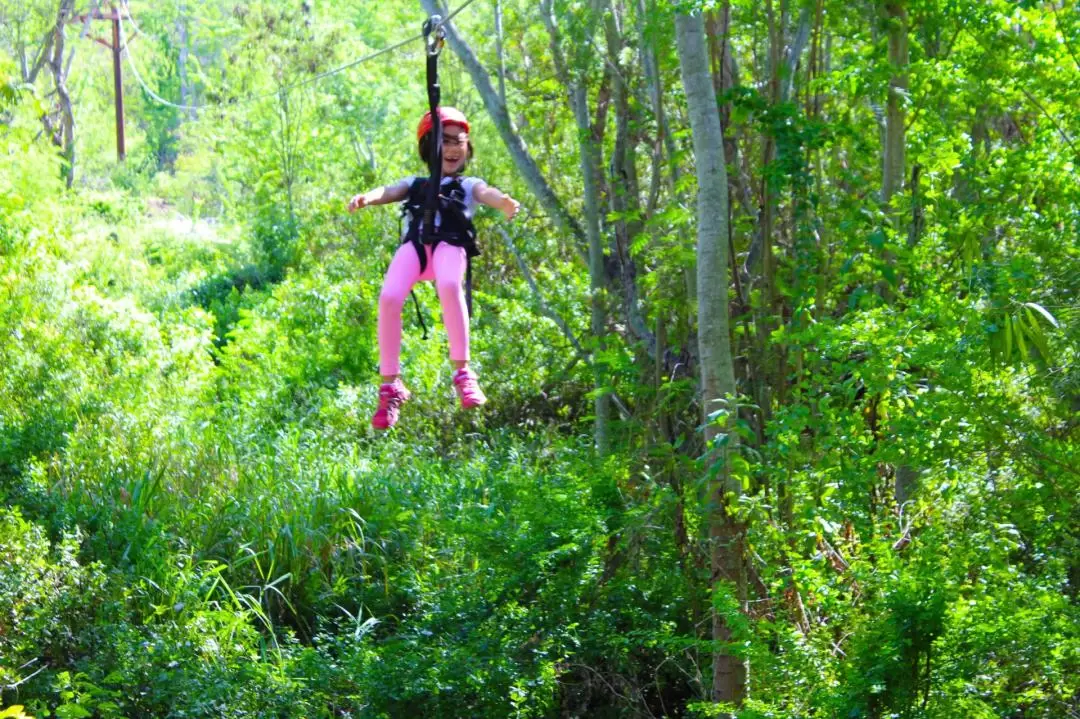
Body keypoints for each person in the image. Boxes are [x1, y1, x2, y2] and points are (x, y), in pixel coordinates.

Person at [348, 107, 520, 430]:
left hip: (449, 247)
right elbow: (391, 190)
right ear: (429, 147)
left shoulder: (468, 184)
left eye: (460, 141)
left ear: (468, 147)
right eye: (445, 141)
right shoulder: (417, 184)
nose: (453, 148)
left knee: (449, 286)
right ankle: (390, 386)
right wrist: (367, 199)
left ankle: (463, 371)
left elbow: (486, 193)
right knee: (388, 297)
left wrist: (504, 203)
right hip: (417, 247)